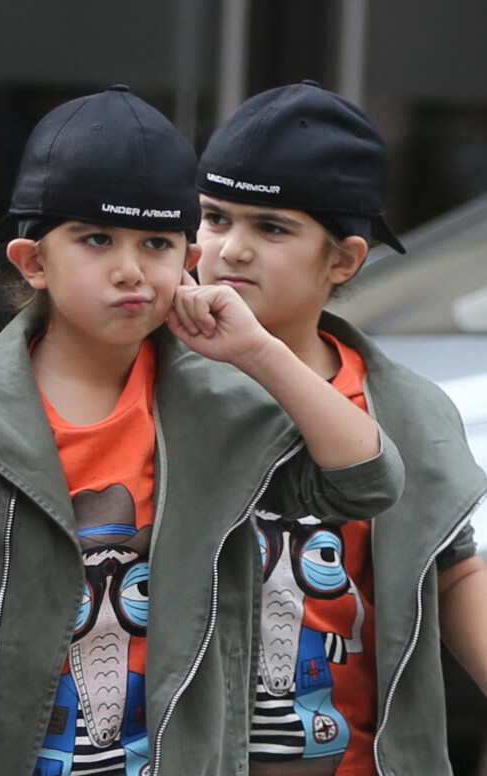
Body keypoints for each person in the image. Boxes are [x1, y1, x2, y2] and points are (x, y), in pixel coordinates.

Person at [0, 86, 403, 776]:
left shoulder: (223, 410)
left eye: (159, 243)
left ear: (188, 256)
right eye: (97, 239)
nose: (132, 269)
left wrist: (260, 353)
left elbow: (367, 482)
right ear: (33, 262)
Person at [180, 80, 487, 776]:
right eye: (215, 217)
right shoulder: (153, 380)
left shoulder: (404, 407)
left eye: (272, 227)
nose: (231, 249)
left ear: (343, 260)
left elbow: (453, 565)